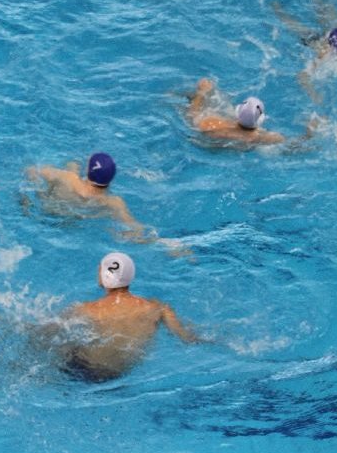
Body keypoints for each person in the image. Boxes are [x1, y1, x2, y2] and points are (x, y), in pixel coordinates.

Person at [50, 252, 202, 382]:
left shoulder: (85, 309)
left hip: (83, 371)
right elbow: (188, 338)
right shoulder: (158, 308)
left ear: (103, 274)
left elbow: (50, 330)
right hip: (119, 374)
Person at [26, 152, 163, 244]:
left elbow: (31, 170)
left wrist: (37, 192)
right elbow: (137, 230)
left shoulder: (67, 178)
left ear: (88, 171)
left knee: (72, 164)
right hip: (71, 226)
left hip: (43, 213)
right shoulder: (113, 202)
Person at [184, 78, 317, 147]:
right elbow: (295, 146)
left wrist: (201, 93)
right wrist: (310, 133)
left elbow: (191, 114)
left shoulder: (213, 125)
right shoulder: (265, 138)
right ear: (261, 120)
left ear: (238, 112)